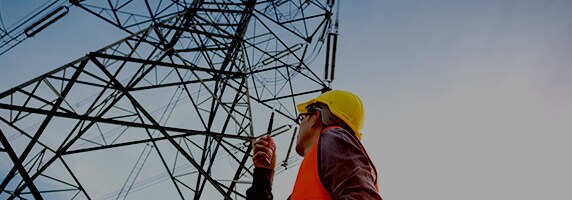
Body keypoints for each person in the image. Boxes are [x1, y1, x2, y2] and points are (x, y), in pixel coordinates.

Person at [246, 89, 382, 199]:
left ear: (316, 116)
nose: (301, 124)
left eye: (302, 117)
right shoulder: (309, 182)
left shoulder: (333, 136)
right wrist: (263, 176)